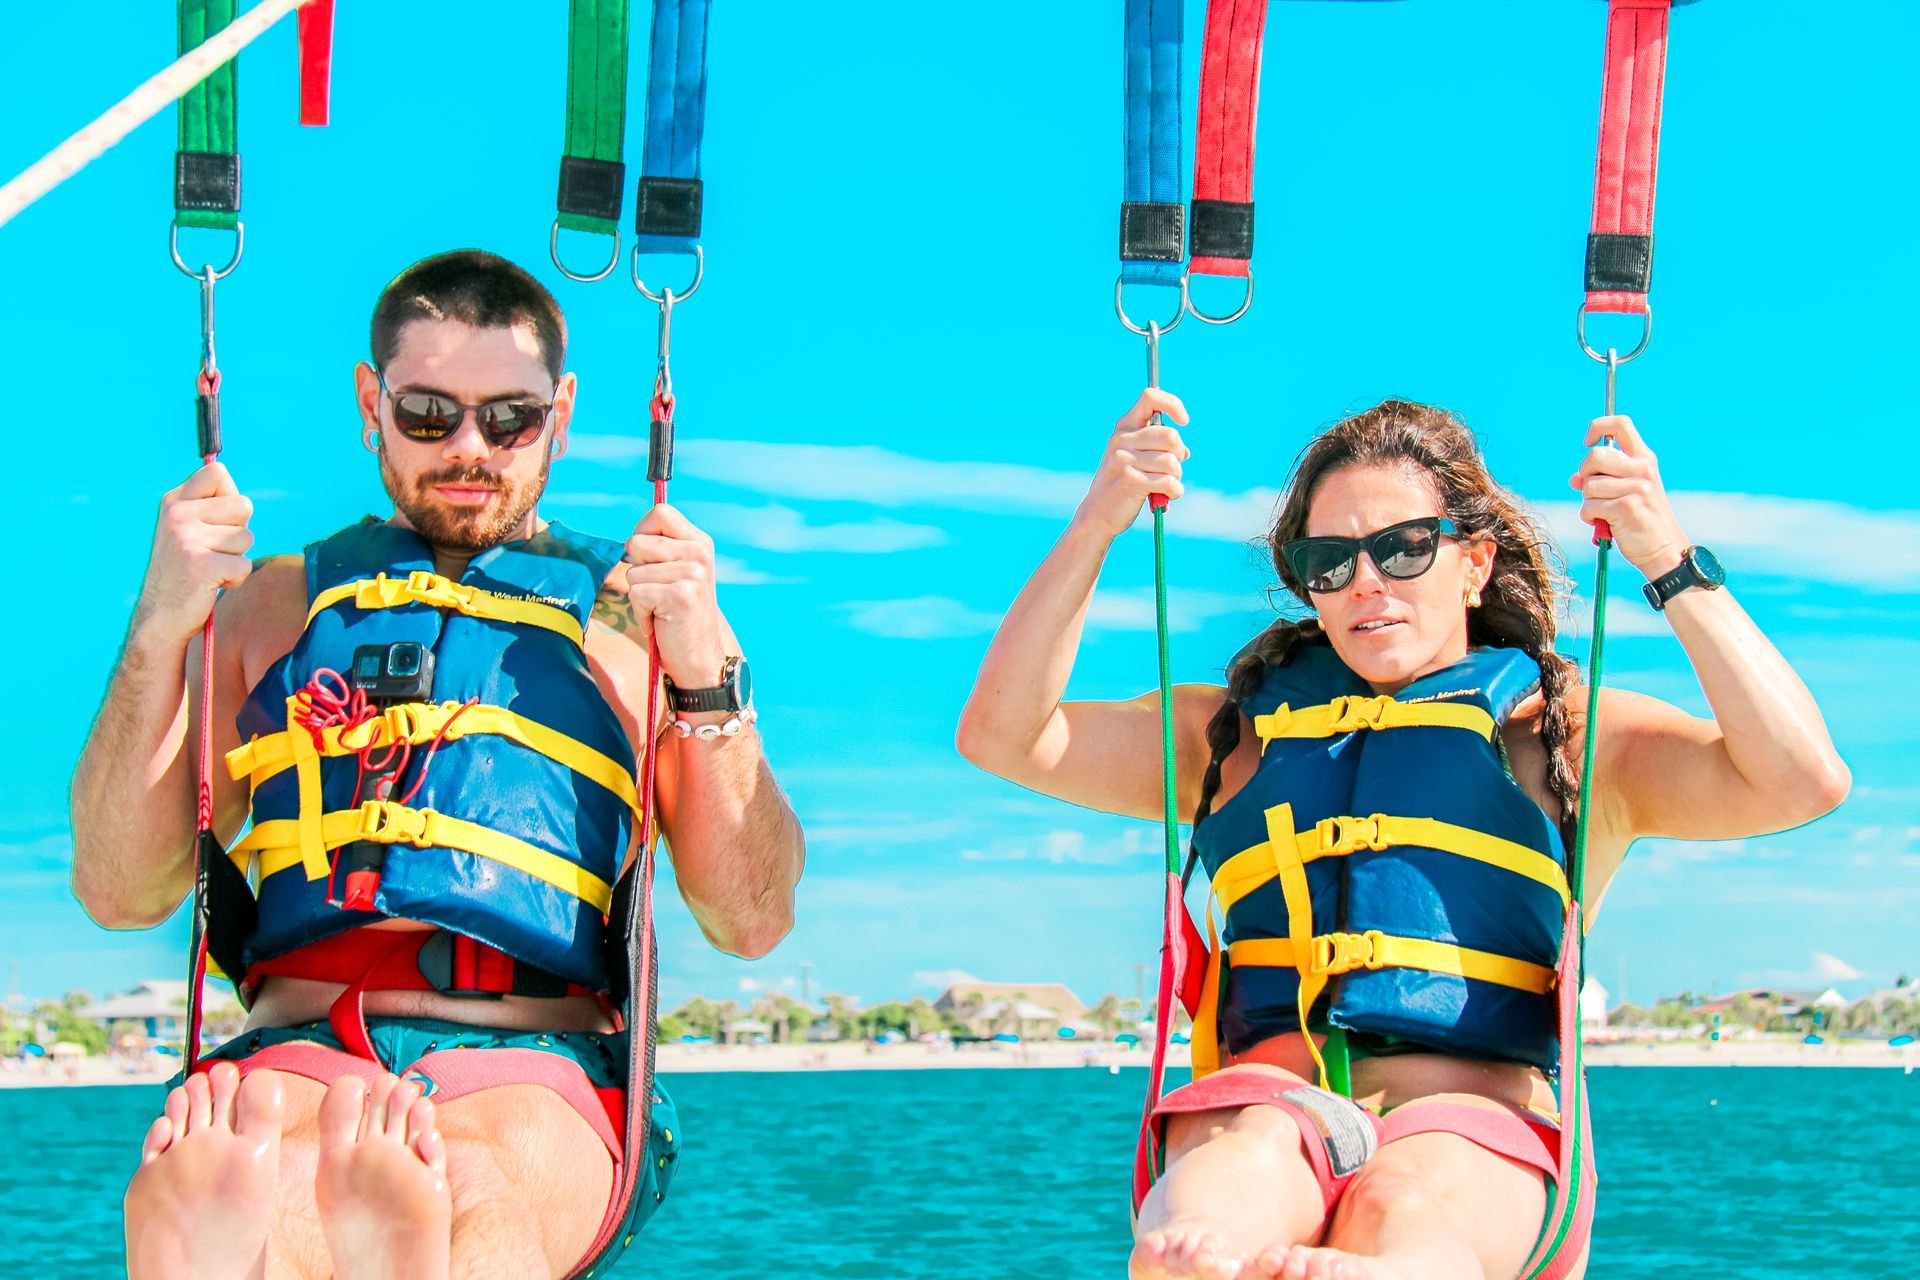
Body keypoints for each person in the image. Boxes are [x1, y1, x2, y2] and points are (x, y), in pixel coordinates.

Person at [956, 393, 1848, 1280]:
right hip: (1270, 1102)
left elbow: (1800, 779)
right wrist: (1098, 522)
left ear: (1473, 563)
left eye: (1404, 547)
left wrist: (1665, 558)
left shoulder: (1568, 735)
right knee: (1246, 1159)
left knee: (1403, 1197)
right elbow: (1003, 736)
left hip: (1475, 1134)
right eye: (1330, 560)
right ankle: (1191, 1258)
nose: (1367, 582)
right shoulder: (1228, 737)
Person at [74, 250, 806, 1280]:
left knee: (477, 1193)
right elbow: (119, 885)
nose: (471, 449)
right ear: (372, 401)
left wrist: (705, 675)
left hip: (533, 1061)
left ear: (562, 411)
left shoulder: (635, 628)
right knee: (273, 1190)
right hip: (296, 1043)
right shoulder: (272, 609)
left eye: (509, 418)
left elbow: (752, 917)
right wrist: (158, 628)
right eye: (429, 414)